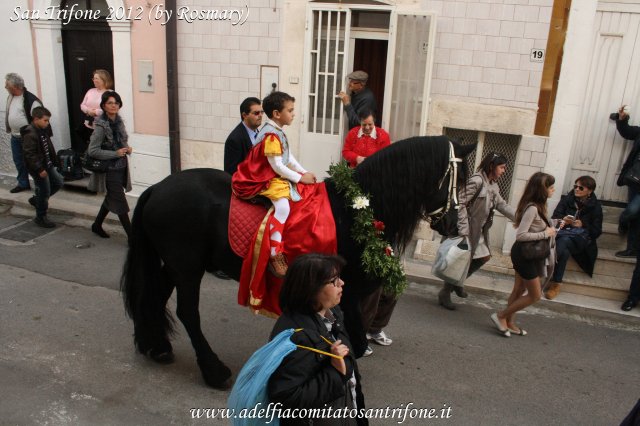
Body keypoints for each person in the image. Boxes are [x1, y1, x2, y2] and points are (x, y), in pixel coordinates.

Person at [267, 253, 367, 425]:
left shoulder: (332, 312)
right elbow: (286, 397)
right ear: (311, 289)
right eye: (334, 280)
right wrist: (335, 374)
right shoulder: (299, 337)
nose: (342, 283)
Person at [232, 91, 317, 277]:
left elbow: (288, 156)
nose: (294, 114)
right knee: (283, 207)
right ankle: (275, 253)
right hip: (262, 176)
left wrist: (303, 171)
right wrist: (299, 178)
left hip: (271, 173)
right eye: (291, 110)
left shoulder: (277, 131)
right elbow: (277, 165)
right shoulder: (271, 135)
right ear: (277, 114)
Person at [341, 110, 393, 355]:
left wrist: (364, 158)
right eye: (365, 125)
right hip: (357, 179)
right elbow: (346, 153)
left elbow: (384, 157)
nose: (369, 128)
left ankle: (373, 327)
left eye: (371, 124)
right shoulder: (353, 133)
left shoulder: (383, 136)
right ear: (360, 124)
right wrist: (361, 159)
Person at [438, 153, 516, 310]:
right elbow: (459, 202)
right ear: (492, 166)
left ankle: (457, 282)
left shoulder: (493, 185)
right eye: (501, 167)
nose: (503, 171)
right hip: (467, 229)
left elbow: (501, 205)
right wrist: (463, 229)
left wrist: (520, 218)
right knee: (459, 259)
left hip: (479, 231)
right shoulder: (477, 181)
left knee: (483, 257)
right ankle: (445, 292)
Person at [491, 172, 557, 337]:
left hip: (530, 254)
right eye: (550, 187)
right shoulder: (533, 208)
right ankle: (500, 316)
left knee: (519, 290)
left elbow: (538, 227)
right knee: (535, 295)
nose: (553, 190)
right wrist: (545, 234)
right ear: (542, 189)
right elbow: (521, 235)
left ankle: (509, 322)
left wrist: (555, 225)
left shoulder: (539, 207)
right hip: (524, 254)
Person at [545, 176, 603, 300]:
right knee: (564, 251)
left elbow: (597, 231)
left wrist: (583, 224)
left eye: (581, 187)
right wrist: (564, 220)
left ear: (590, 191)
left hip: (582, 240)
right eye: (575, 186)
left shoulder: (596, 206)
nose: (577, 189)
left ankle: (542, 268)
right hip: (564, 235)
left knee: (563, 241)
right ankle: (556, 284)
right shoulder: (568, 200)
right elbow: (555, 217)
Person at [88, 91, 133, 239]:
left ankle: (96, 225)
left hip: (121, 168)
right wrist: (115, 154)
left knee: (111, 198)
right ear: (104, 106)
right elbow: (93, 151)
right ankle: (133, 238)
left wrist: (127, 148)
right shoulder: (101, 126)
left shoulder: (119, 122)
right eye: (110, 103)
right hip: (109, 170)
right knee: (120, 203)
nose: (114, 106)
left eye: (116, 103)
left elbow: (121, 142)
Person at [21, 107, 63, 228]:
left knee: (58, 182)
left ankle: (37, 200)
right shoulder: (30, 134)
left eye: (48, 120)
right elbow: (30, 154)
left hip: (47, 165)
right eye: (45, 120)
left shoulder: (42, 130)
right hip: (39, 168)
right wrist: (39, 169)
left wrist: (54, 162)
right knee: (44, 191)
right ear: (35, 119)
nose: (47, 123)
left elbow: (47, 148)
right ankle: (41, 216)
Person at [5, 72, 44, 194]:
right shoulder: (11, 97)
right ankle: (23, 183)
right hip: (15, 136)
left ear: (14, 87)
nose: (5, 87)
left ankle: (40, 186)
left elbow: (38, 120)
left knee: (33, 162)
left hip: (27, 137)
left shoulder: (31, 100)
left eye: (7, 85)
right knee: (18, 161)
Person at [611, 105, 640, 258]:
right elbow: (627, 131)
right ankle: (632, 249)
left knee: (632, 212)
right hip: (635, 181)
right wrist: (622, 119)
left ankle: (623, 222)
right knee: (634, 215)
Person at [224, 97, 263, 175]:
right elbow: (232, 173)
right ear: (245, 115)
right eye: (256, 113)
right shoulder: (234, 139)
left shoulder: (260, 133)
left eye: (262, 112)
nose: (260, 115)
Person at [78, 69, 113, 153]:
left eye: (97, 78)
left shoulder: (110, 93)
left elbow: (111, 108)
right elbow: (82, 105)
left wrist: (96, 112)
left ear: (104, 79)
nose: (94, 80)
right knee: (89, 144)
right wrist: (88, 110)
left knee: (100, 147)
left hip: (102, 126)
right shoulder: (90, 91)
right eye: (94, 78)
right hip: (88, 124)